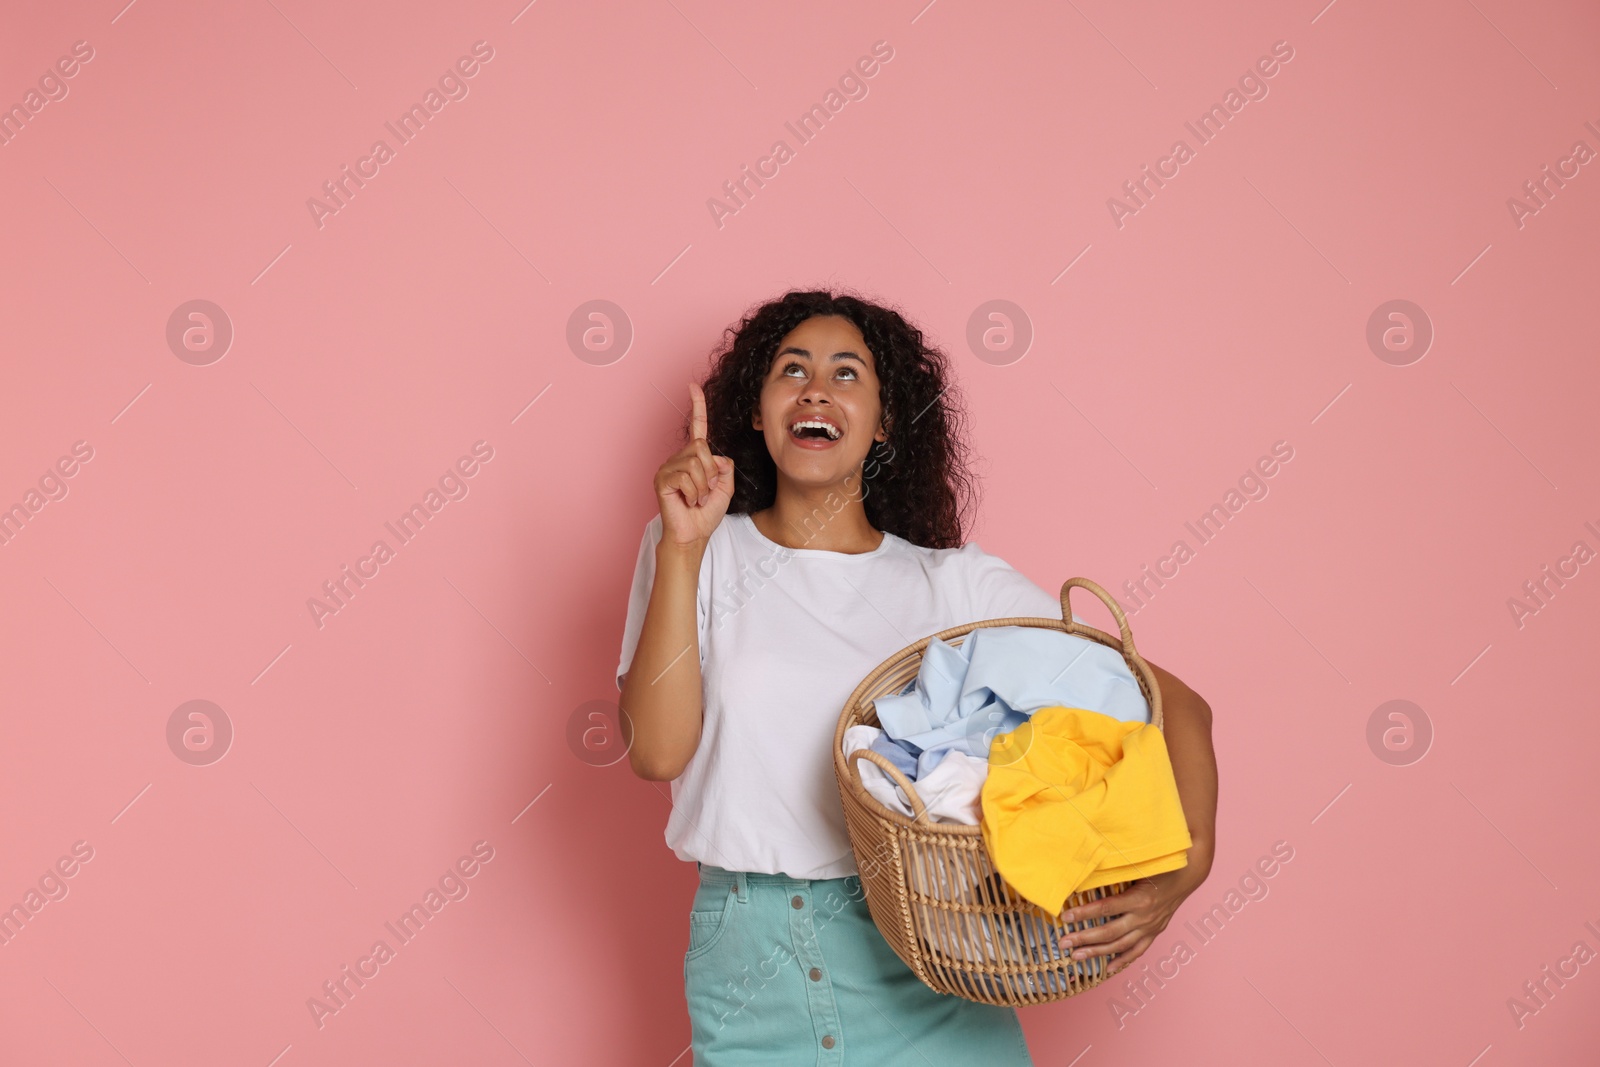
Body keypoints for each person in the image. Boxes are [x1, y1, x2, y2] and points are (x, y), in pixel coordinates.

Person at [616, 290, 1218, 1065]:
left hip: (928, 949)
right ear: (758, 414)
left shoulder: (955, 587)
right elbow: (656, 753)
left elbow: (1175, 704)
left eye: (847, 374)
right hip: (750, 965)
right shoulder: (696, 550)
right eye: (790, 371)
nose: (815, 390)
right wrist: (680, 547)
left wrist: (1189, 860)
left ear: (885, 421)